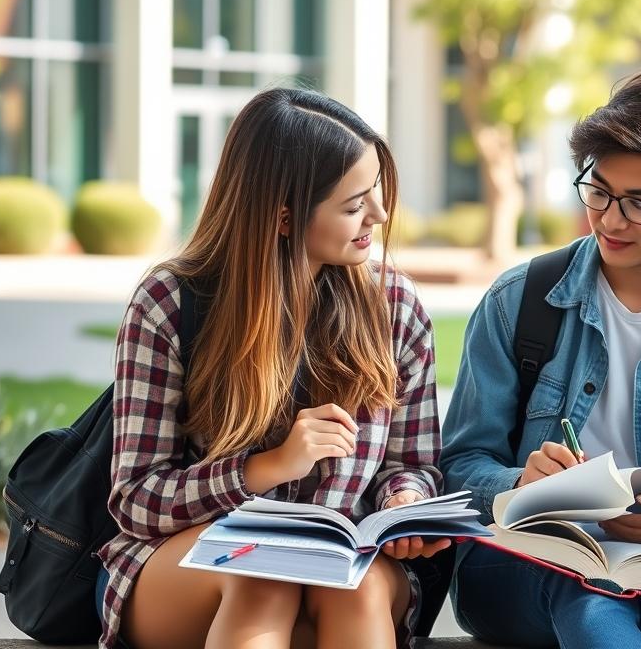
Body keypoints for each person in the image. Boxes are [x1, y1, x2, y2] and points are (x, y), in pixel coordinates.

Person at [96, 88, 447, 649]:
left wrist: (403, 501)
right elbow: (137, 498)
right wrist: (268, 467)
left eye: (376, 195)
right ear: (284, 217)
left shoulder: (393, 306)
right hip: (195, 567)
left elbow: (413, 464)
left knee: (350, 587)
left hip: (345, 566)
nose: (379, 217)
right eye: (355, 205)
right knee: (265, 576)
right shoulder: (171, 301)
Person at [440, 70, 641, 648]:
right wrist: (521, 484)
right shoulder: (520, 302)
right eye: (599, 191)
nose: (610, 219)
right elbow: (460, 465)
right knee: (590, 600)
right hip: (524, 563)